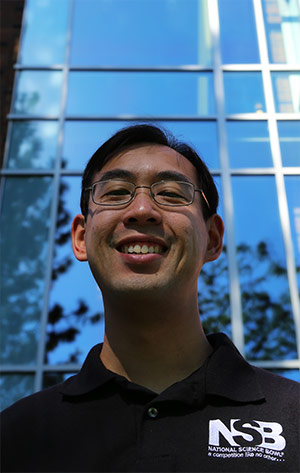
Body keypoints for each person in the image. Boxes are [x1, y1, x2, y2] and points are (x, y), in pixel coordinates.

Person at [1, 124, 299, 473]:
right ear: (81, 238)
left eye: (171, 194)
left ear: (213, 238)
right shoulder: (17, 437)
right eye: (115, 192)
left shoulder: (292, 418)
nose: (141, 209)